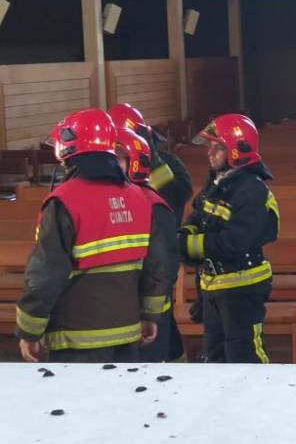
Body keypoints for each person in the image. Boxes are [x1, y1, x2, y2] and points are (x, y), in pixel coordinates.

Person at [15, 109, 168, 363]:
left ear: (67, 148)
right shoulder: (141, 198)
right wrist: (150, 316)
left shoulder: (63, 201)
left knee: (80, 403)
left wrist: (29, 330)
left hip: (76, 339)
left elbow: (46, 274)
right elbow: (157, 266)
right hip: (129, 335)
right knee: (123, 401)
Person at [180, 114, 279, 363]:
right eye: (210, 147)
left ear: (239, 150)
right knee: (215, 357)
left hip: (242, 288)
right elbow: (197, 216)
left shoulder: (253, 190)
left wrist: (189, 245)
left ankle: (257, 401)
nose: (210, 153)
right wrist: (186, 235)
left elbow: (235, 242)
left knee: (245, 356)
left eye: (218, 147)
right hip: (214, 286)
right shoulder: (216, 182)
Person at [109, 103, 192, 361]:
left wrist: (149, 158)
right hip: (128, 271)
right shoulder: (107, 172)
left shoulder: (166, 163)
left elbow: (177, 194)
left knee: (158, 319)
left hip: (160, 260)